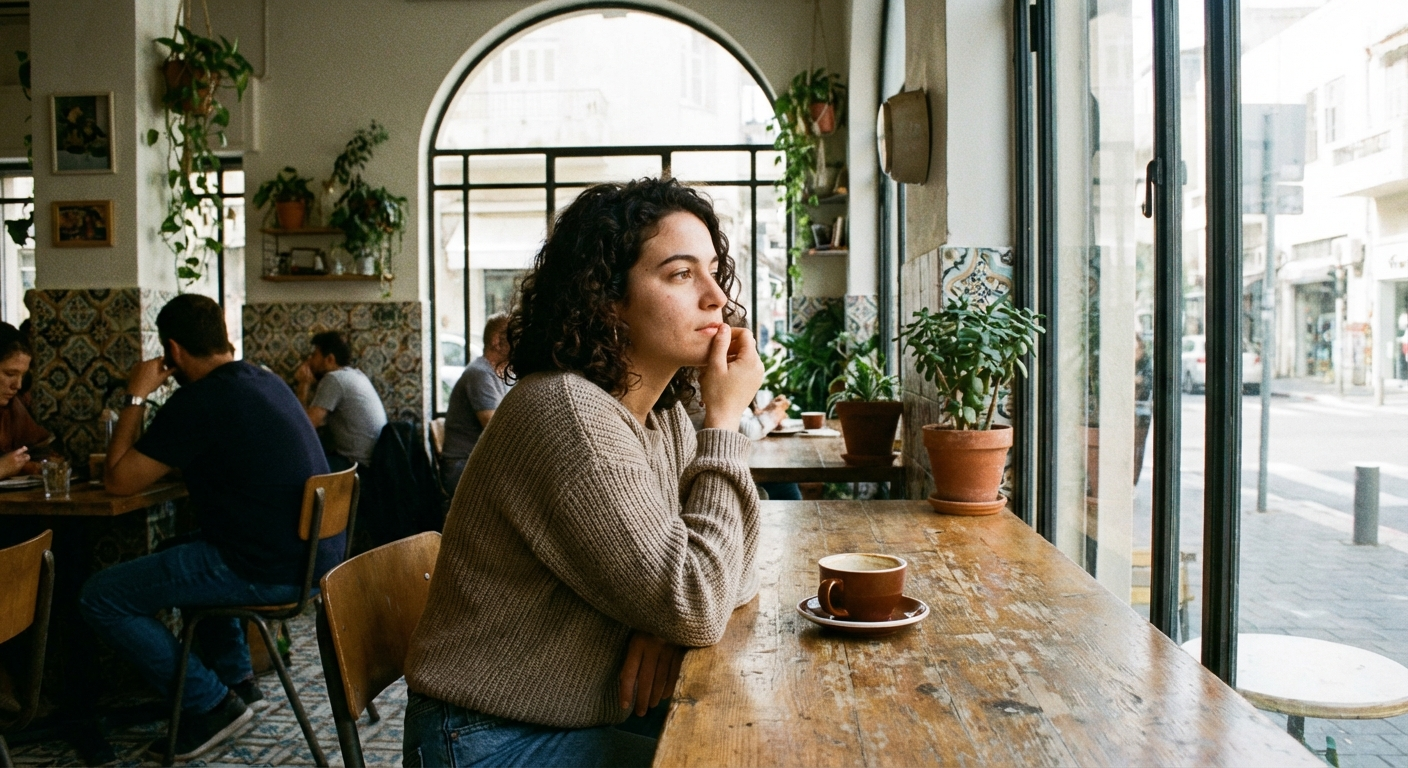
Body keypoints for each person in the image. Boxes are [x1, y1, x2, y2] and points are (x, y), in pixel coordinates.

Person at [403, 178, 764, 767]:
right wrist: (725, 423)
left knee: (752, 738)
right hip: (486, 739)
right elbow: (701, 598)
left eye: (715, 271)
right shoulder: (568, 414)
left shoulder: (662, 417)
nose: (716, 297)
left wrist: (666, 623)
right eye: (681, 274)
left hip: (570, 718)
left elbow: (730, 573)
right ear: (607, 299)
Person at [79, 294, 340, 761]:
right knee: (182, 547)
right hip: (313, 559)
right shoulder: (265, 380)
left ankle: (211, 704)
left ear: (173, 351)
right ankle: (237, 680)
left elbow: (118, 481)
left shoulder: (198, 400)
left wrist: (136, 395)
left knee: (101, 596)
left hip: (267, 567)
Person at [439, 313, 512, 496]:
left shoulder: (498, 374)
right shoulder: (480, 373)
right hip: (462, 467)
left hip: (475, 463)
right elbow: (496, 429)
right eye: (516, 336)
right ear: (497, 341)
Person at [294, 330, 388, 471]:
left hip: (356, 467)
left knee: (297, 465)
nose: (309, 361)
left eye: (314, 355)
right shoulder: (355, 375)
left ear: (330, 359)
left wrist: (303, 386)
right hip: (370, 463)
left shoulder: (334, 379)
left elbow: (305, 427)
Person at [0, 323, 47, 479]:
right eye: (10, 374)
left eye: (22, 376)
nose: (18, 385)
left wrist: (28, 466)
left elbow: (42, 449)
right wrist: (2, 468)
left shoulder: (11, 407)